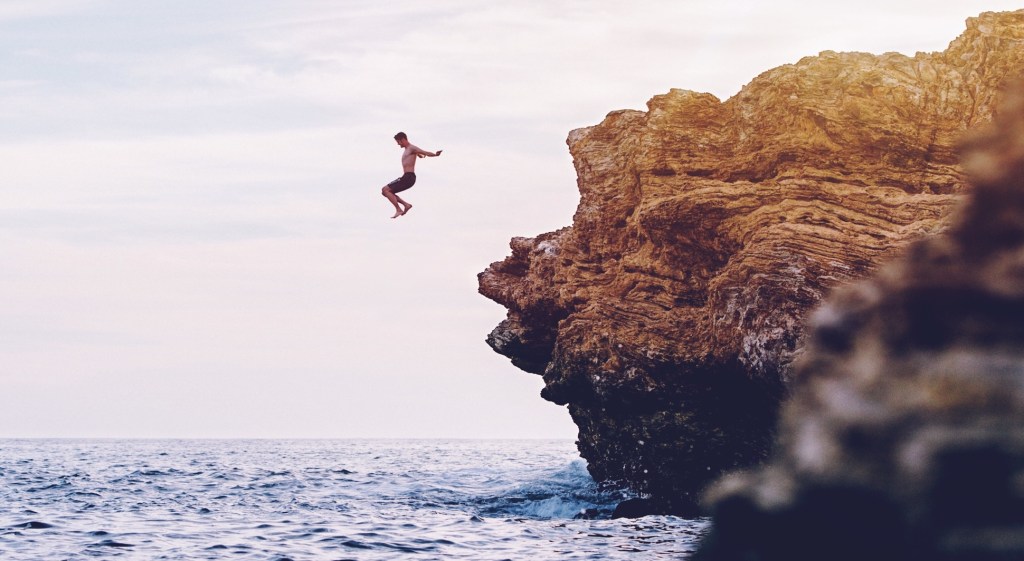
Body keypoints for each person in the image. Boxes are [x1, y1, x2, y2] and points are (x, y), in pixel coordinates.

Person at [381, 132, 442, 218]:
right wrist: (419, 155)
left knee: (385, 190)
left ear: (403, 139)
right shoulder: (408, 150)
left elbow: (425, 152)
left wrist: (435, 155)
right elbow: (419, 154)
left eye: (398, 142)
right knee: (385, 192)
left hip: (408, 177)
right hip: (406, 177)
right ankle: (406, 205)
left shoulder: (411, 148)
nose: (398, 144)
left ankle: (399, 209)